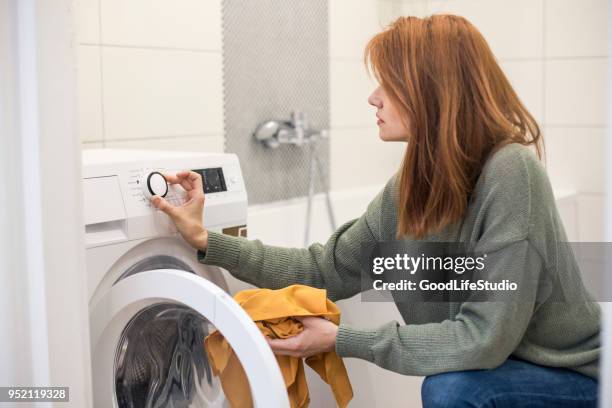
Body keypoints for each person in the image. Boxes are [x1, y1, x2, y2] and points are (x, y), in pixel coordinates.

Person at [151, 14, 600, 408]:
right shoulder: (411, 187)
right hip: (499, 367)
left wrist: (344, 340)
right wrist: (208, 240)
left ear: (432, 90)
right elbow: (323, 268)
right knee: (454, 386)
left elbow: (484, 339)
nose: (373, 97)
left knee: (452, 390)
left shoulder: (510, 172)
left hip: (576, 377)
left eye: (389, 82)